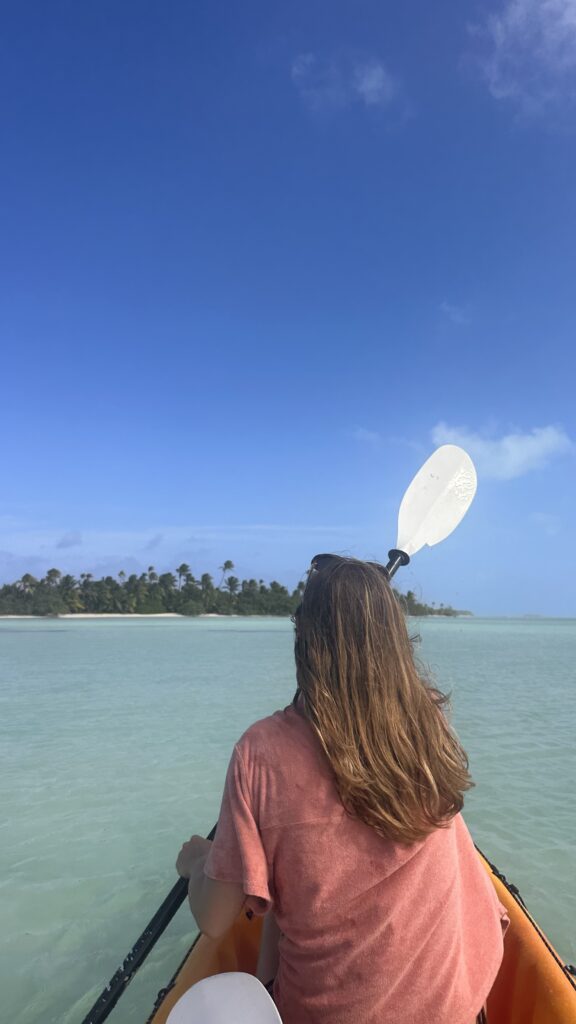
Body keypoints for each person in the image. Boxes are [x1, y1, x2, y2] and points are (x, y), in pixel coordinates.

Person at [176, 556, 508, 1024]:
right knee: (280, 905)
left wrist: (196, 865)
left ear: (303, 642)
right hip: (458, 1006)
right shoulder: (425, 723)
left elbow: (214, 921)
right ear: (395, 641)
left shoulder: (261, 752)